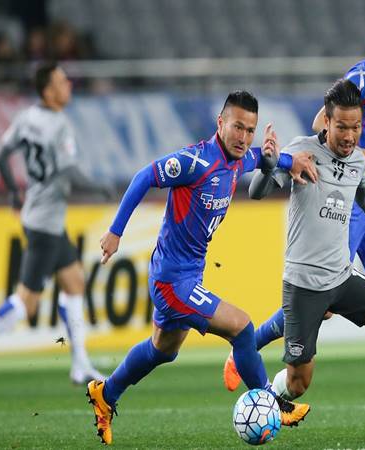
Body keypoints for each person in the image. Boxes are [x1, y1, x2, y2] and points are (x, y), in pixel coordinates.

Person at [222, 3, 365, 425]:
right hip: (326, 230)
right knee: (309, 343)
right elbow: (316, 131)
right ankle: (250, 355)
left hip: (363, 206)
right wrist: (289, 161)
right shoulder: (357, 84)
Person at [85, 91, 314, 445]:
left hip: (185, 275)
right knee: (241, 327)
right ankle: (273, 402)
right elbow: (144, 177)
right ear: (220, 124)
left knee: (164, 349)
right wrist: (115, 231)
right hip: (172, 281)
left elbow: (261, 159)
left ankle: (106, 393)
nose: (244, 136)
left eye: (250, 129)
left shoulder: (237, 159)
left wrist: (289, 161)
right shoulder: (195, 161)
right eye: (237, 127)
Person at [0, 62, 113, 388]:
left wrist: (14, 192)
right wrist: (101, 187)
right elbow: (69, 170)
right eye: (61, 81)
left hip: (43, 219)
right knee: (26, 302)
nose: (68, 84)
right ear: (48, 90)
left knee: (74, 282)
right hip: (44, 225)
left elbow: (0, 156)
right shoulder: (59, 125)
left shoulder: (26, 118)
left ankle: (80, 364)